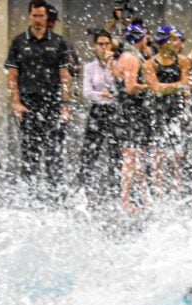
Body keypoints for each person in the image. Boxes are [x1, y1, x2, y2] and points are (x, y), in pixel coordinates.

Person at [6, 0, 73, 196]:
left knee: (54, 152)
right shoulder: (19, 42)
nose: (38, 20)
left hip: (52, 103)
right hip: (29, 104)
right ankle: (29, 194)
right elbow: (12, 76)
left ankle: (54, 194)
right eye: (34, 16)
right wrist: (16, 103)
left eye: (41, 16)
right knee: (30, 153)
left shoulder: (59, 42)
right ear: (30, 16)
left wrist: (65, 105)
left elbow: (65, 76)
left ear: (47, 17)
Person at [144, 26, 192, 197]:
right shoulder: (150, 64)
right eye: (172, 39)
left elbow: (186, 85)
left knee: (178, 153)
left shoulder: (184, 61)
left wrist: (166, 87)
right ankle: (158, 191)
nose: (176, 42)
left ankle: (176, 190)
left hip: (177, 111)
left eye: (177, 39)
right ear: (164, 42)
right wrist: (175, 86)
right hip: (158, 111)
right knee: (159, 152)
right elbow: (156, 89)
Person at [115, 23, 154, 211]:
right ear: (139, 38)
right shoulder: (132, 58)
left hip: (127, 111)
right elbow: (130, 87)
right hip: (132, 112)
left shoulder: (124, 56)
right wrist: (151, 86)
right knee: (132, 158)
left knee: (136, 157)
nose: (148, 40)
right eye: (145, 36)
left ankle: (143, 198)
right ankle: (126, 200)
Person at [78, 30, 122, 194]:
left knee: (116, 150)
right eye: (100, 44)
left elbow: (122, 87)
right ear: (95, 46)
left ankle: (116, 186)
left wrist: (111, 63)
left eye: (106, 44)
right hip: (98, 109)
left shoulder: (118, 64)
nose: (104, 48)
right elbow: (87, 92)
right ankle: (84, 185)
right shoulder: (90, 67)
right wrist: (100, 95)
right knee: (89, 150)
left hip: (115, 110)